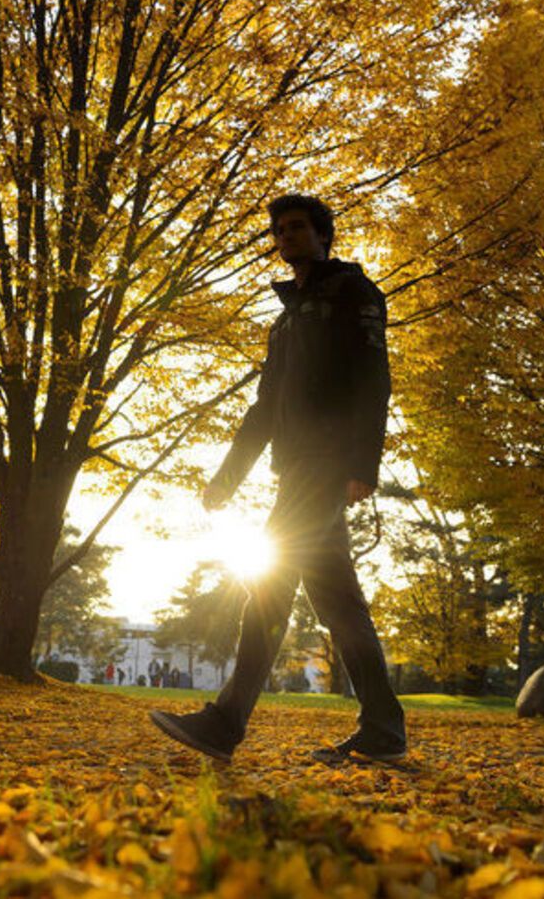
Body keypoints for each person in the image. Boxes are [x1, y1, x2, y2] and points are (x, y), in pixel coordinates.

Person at [148, 193, 408, 765]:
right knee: (336, 600)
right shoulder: (286, 319)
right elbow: (264, 406)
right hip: (294, 467)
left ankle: (225, 722)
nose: (285, 236)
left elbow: (374, 378)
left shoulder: (353, 292)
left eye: (296, 227)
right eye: (279, 229)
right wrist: (226, 479)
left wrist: (363, 463)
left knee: (269, 585)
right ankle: (384, 725)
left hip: (327, 461)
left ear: (323, 235)